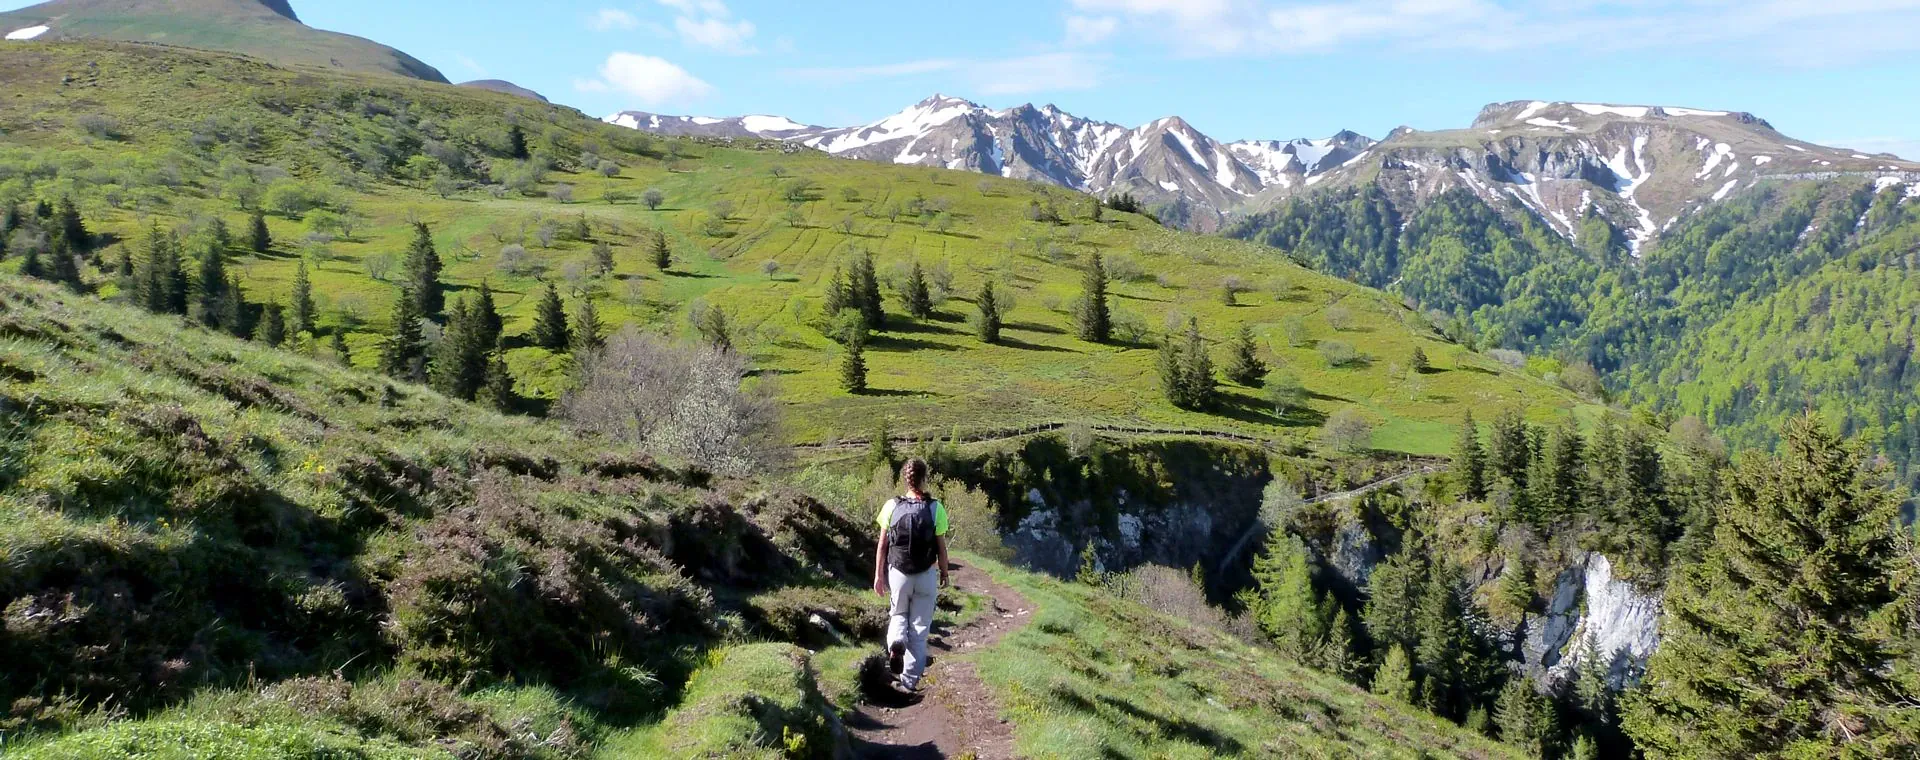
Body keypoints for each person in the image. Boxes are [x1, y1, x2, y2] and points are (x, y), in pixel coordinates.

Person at [871, 458, 950, 696]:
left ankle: (896, 642)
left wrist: (878, 575)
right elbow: (942, 547)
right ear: (925, 478)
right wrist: (944, 571)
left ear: (904, 479)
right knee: (919, 627)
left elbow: (882, 544)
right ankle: (908, 681)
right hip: (925, 574)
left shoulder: (891, 506)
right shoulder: (935, 508)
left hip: (898, 573)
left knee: (898, 613)